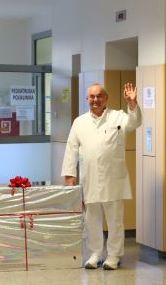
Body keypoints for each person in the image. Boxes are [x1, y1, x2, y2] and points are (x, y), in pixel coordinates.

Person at [61, 82, 142, 270]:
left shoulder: (118, 117)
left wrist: (132, 104)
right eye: (92, 96)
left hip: (113, 178)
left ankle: (114, 255)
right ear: (87, 99)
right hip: (89, 178)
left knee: (115, 219)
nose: (95, 100)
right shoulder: (79, 122)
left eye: (99, 96)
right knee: (91, 219)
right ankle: (95, 253)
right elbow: (71, 148)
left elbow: (135, 122)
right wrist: (69, 174)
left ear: (106, 98)